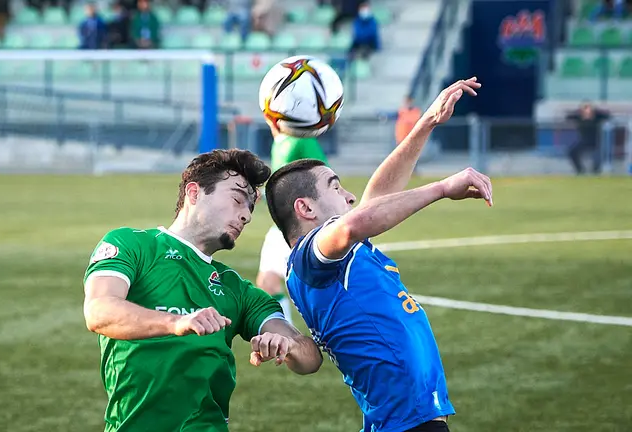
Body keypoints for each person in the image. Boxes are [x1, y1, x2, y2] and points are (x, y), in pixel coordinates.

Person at [264, 78, 491, 432]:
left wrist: (427, 123)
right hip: (407, 424)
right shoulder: (309, 257)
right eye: (336, 188)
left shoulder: (329, 257)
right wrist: (442, 188)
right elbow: (355, 222)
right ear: (305, 208)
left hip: (403, 422)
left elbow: (376, 201)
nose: (350, 196)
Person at [83, 149, 323, 432]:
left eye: (250, 207)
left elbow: (310, 358)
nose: (246, 215)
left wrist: (288, 345)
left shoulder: (236, 289)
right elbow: (99, 311)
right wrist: (176, 323)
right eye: (237, 199)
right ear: (194, 193)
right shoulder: (132, 245)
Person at [256, 113, 329, 325]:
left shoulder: (301, 141)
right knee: (267, 283)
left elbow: (323, 179)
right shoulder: (280, 142)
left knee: (313, 290)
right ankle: (288, 337)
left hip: (300, 226)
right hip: (282, 225)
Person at [566, 101, 611, 175]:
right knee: (571, 152)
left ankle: (596, 171)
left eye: (589, 109)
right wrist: (579, 112)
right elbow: (568, 116)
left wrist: (595, 112)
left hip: (595, 142)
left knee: (597, 158)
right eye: (585, 109)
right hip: (583, 142)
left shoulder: (596, 118)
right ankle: (580, 170)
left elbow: (608, 116)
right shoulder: (579, 118)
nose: (587, 112)